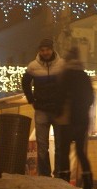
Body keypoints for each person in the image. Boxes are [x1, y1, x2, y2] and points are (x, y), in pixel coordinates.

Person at [21, 38, 66, 178]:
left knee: (59, 145)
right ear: (39, 51)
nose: (45, 52)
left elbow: (69, 83)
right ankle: (45, 175)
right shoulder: (33, 66)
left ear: (52, 49)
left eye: (47, 49)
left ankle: (58, 173)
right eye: (42, 50)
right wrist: (31, 99)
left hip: (58, 109)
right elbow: (25, 82)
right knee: (42, 146)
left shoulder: (62, 64)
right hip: (41, 109)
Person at [61, 47, 95, 189]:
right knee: (81, 151)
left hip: (68, 118)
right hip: (82, 119)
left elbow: (60, 96)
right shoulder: (85, 76)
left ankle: (64, 182)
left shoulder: (65, 75)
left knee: (64, 151)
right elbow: (91, 98)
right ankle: (88, 184)